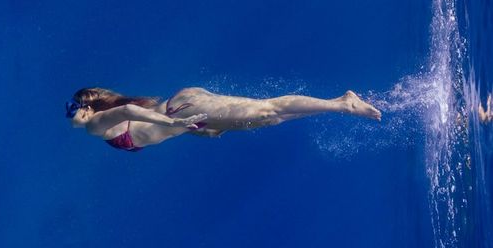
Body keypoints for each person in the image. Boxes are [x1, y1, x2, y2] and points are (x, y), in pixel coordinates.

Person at [66, 86, 381, 152]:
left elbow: (127, 112)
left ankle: (342, 104)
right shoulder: (101, 125)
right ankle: (338, 103)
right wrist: (199, 131)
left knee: (267, 110)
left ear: (87, 109)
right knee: (269, 119)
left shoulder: (94, 127)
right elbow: (142, 123)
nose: (72, 115)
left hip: (180, 113)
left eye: (74, 108)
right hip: (185, 112)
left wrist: (172, 124)